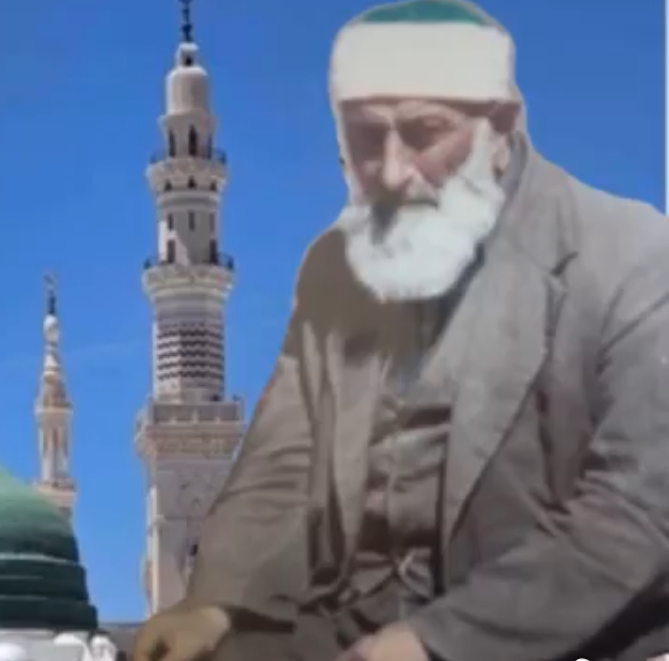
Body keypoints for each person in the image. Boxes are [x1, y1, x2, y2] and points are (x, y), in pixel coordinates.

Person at [131, 1, 669, 661]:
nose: (391, 171)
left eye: (424, 132)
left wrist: (431, 642)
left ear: (500, 127)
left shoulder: (631, 259)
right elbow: (284, 461)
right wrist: (215, 602)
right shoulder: (340, 270)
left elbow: (637, 510)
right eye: (365, 140)